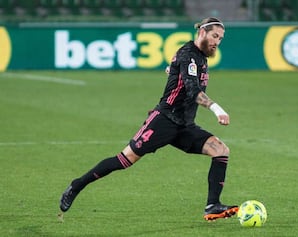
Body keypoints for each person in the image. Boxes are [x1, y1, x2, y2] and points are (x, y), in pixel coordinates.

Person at [60, 17, 238, 221]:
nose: (217, 41)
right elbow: (192, 91)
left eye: (221, 38)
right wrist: (217, 109)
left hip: (185, 125)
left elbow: (178, 73)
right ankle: (77, 185)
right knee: (124, 160)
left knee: (220, 150)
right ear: (202, 33)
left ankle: (212, 205)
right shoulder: (189, 54)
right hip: (163, 120)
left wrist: (172, 69)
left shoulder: (198, 56)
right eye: (215, 36)